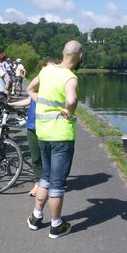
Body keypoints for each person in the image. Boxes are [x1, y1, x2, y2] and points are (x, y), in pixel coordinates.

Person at [26, 40, 83, 239]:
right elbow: (72, 100)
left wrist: (41, 102)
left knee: (45, 177)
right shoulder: (70, 77)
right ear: (80, 56)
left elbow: (30, 89)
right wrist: (70, 111)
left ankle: (36, 217)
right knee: (57, 183)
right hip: (61, 136)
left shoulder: (47, 71)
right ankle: (56, 225)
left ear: (62, 52)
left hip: (43, 133)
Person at [8, 57, 55, 197]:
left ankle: (47, 183)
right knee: (35, 157)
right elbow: (29, 100)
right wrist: (11, 105)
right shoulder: (36, 85)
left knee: (48, 157)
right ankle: (38, 182)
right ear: (42, 69)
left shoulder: (55, 86)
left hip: (47, 126)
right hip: (32, 126)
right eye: (46, 67)